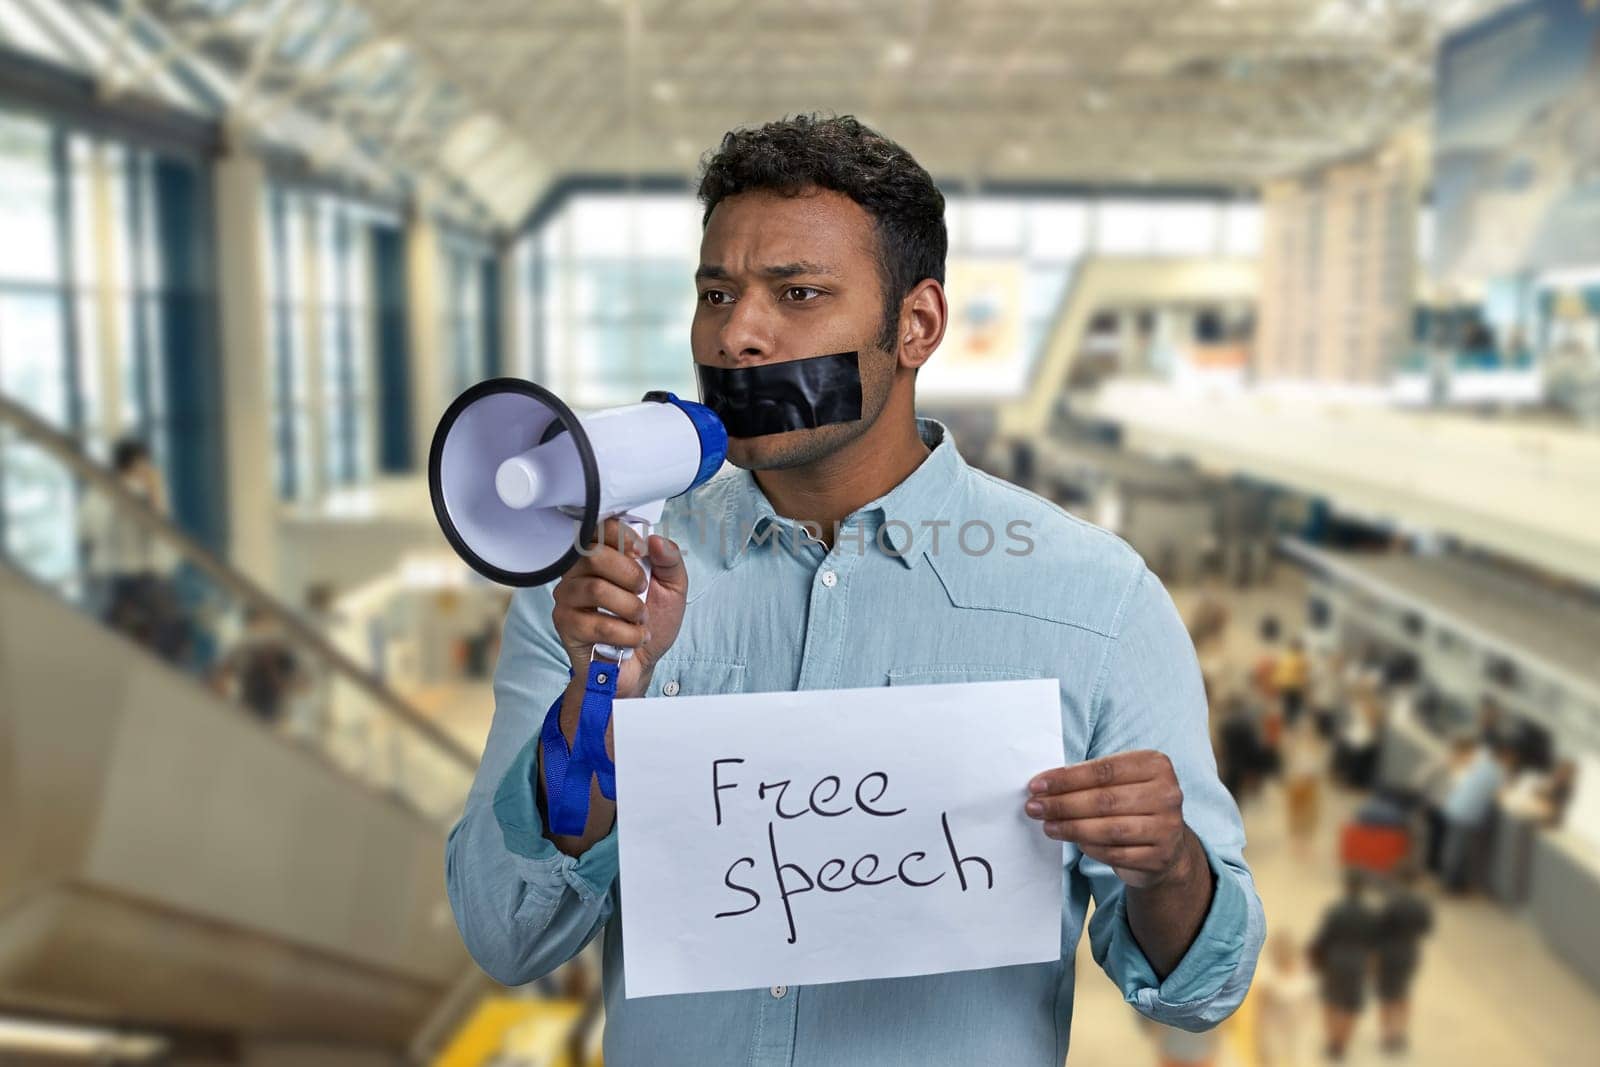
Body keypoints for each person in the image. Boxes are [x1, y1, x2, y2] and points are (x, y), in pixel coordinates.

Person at [446, 114, 1264, 1065]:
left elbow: (1206, 991)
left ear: (916, 326)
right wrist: (595, 724)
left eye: (797, 294)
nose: (737, 335)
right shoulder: (600, 591)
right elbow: (505, 934)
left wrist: (1167, 865)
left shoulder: (1094, 601)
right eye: (717, 292)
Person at [77, 436, 186, 663]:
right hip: (139, 578)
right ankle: (166, 676)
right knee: (172, 625)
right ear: (138, 464)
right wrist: (155, 488)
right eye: (147, 464)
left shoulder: (95, 493)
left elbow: (84, 537)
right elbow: (161, 532)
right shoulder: (142, 492)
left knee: (104, 634)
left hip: (102, 578)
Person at [1309, 870, 1376, 1062]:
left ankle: (1331, 1039)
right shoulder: (1369, 914)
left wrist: (1315, 960)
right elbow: (1373, 944)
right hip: (1358, 962)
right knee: (1351, 1004)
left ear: (1346, 886)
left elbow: (1322, 939)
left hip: (1334, 960)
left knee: (1331, 1001)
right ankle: (1342, 1043)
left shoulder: (1335, 911)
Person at [1438, 738, 1513, 892]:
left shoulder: (1482, 761)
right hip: (1467, 814)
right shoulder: (1498, 772)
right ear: (1506, 756)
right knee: (1458, 850)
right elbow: (1501, 797)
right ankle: (1450, 884)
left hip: (1455, 805)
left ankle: (1447, 879)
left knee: (1452, 846)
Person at [1372, 864, 1433, 1055]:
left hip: (1388, 952)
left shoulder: (1391, 902)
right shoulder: (1422, 904)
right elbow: (1427, 930)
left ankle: (1386, 1034)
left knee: (1386, 995)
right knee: (1404, 992)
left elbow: (1378, 930)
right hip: (1409, 951)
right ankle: (1400, 1031)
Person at [1254, 931, 1316, 1067]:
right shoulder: (1268, 975)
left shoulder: (1303, 971)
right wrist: (1260, 1038)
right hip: (1275, 1030)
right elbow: (1261, 1008)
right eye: (1280, 950)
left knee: (1300, 1060)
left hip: (1299, 1029)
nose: (1284, 954)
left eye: (1286, 950)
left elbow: (1308, 1001)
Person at [1272, 637, 1310, 727]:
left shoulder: (1285, 656)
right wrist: (1305, 686)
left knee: (1287, 705)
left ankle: (1287, 722)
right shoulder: (1301, 658)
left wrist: (1276, 684)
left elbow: (1278, 671)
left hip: (1285, 685)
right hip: (1295, 687)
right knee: (1294, 706)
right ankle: (1290, 723)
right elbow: (1304, 674)